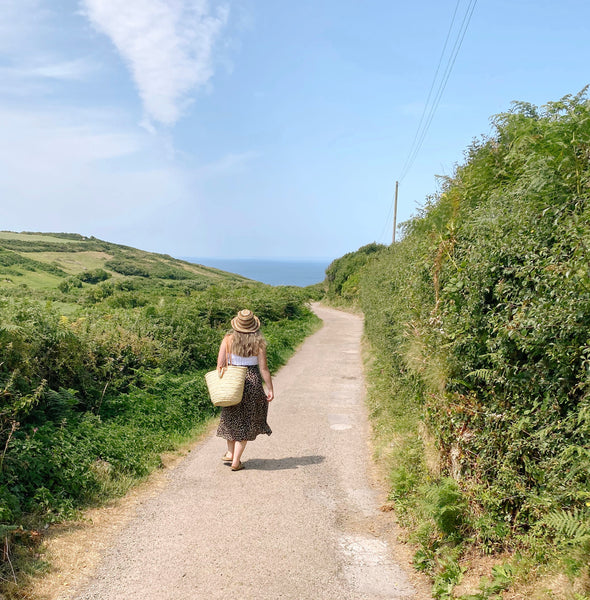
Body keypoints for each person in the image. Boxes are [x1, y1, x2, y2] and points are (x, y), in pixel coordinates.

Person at [216, 309, 274, 471]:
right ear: (253, 327)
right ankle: (235, 460)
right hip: (252, 383)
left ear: (236, 325)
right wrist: (270, 389)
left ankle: (230, 453)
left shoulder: (227, 340)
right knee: (247, 421)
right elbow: (264, 369)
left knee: (231, 417)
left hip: (234, 381)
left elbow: (220, 365)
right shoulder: (259, 343)